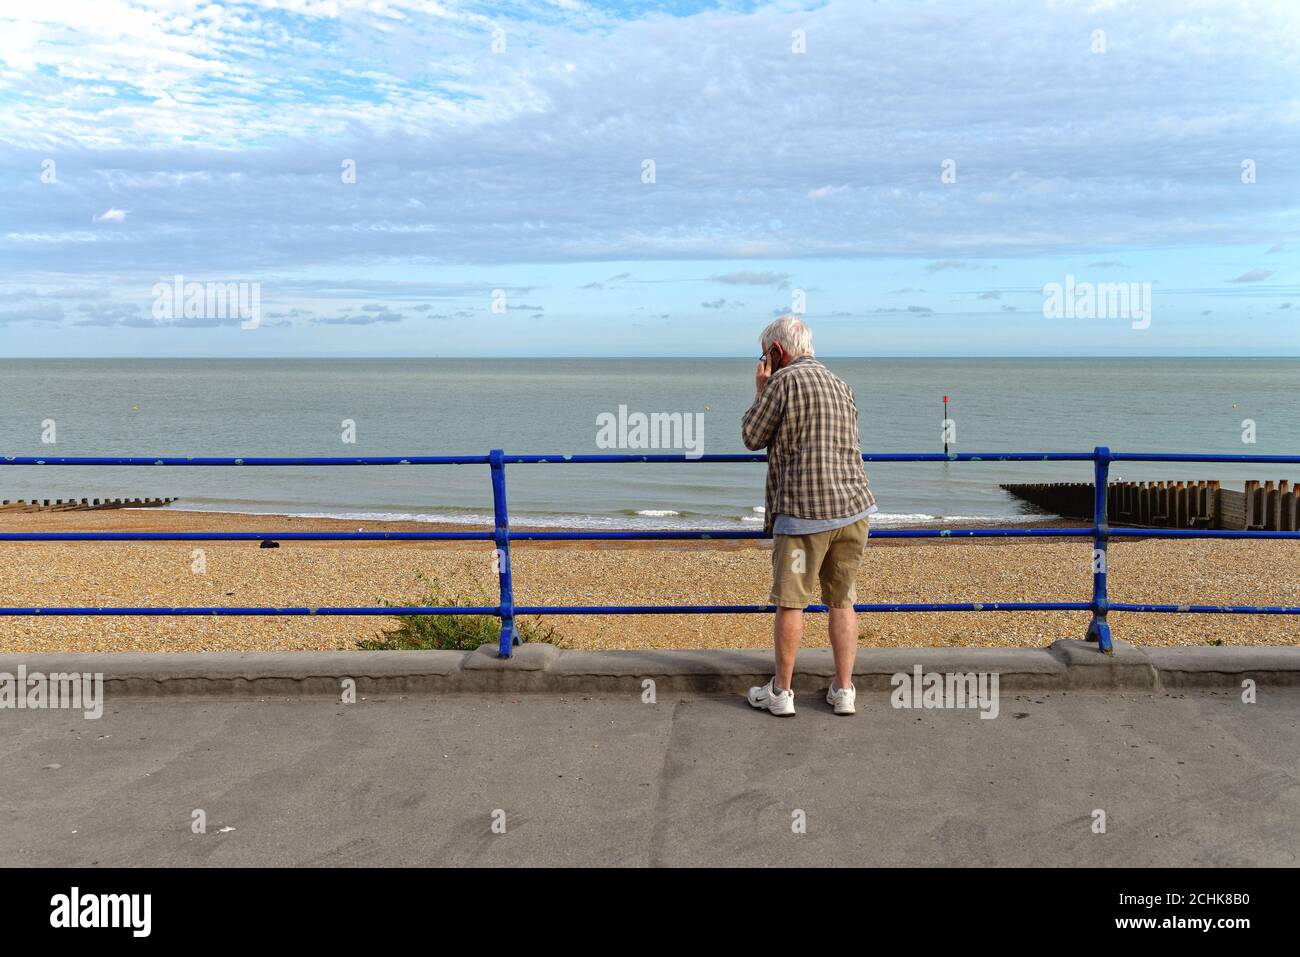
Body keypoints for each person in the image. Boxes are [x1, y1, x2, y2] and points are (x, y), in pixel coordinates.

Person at [740, 315, 876, 716]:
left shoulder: (782, 382)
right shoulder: (841, 383)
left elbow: (751, 436)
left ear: (777, 352)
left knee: (791, 603)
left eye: (766, 355)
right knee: (842, 601)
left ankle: (781, 693)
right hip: (853, 509)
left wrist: (760, 390)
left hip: (804, 513)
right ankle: (844, 690)